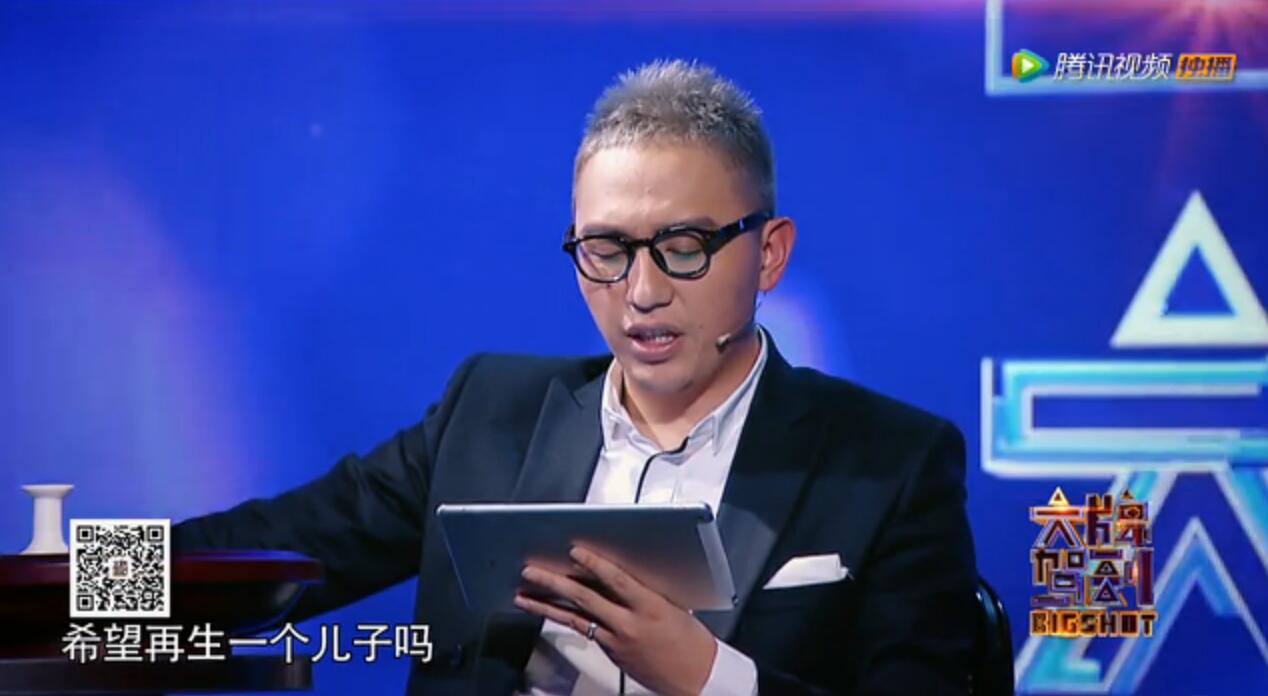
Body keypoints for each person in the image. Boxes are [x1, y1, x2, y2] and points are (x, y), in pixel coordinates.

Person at [174, 59, 979, 695]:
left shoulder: (891, 464)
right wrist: (91, 579)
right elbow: (266, 550)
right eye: (606, 250)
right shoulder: (489, 415)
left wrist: (706, 677)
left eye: (684, 248)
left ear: (768, 254)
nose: (642, 291)